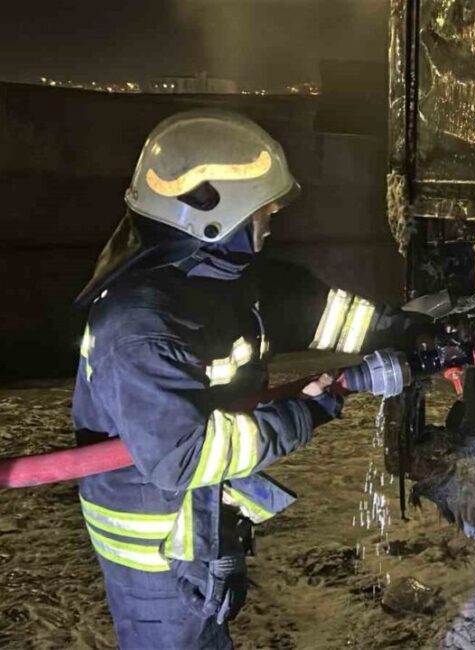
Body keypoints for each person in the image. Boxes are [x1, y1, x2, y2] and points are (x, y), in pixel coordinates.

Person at [72, 110, 421, 649]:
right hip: (155, 555)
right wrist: (305, 414)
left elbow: (313, 310)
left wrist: (404, 330)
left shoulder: (219, 283)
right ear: (216, 214)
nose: (273, 220)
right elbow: (183, 457)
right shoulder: (138, 324)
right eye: (264, 210)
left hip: (201, 524)